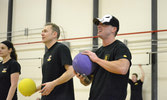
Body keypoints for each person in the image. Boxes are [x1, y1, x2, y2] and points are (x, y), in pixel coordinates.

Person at [75, 14, 132, 100]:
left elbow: (122, 69)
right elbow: (87, 82)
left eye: (104, 24)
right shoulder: (98, 52)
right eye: (98, 24)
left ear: (114, 29)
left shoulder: (120, 48)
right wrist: (82, 78)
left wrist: (97, 60)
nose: (99, 26)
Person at [35, 22, 75, 100]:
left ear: (54, 34)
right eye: (42, 31)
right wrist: (33, 90)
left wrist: (53, 84)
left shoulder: (61, 48)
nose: (42, 34)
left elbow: (71, 71)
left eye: (45, 31)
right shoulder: (46, 54)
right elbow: (48, 81)